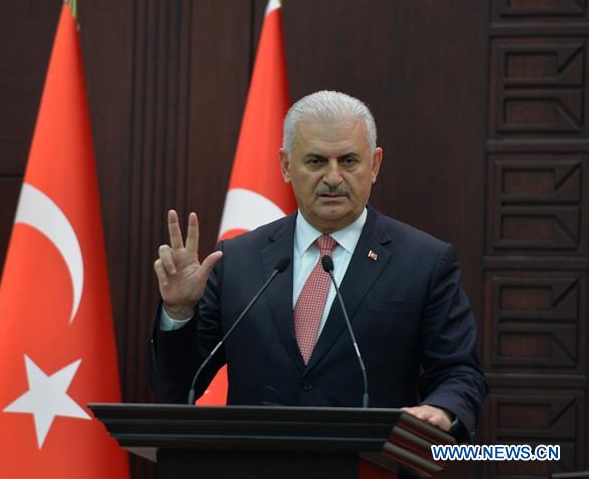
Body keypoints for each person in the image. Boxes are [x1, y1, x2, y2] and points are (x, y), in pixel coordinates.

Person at [148, 90, 487, 442]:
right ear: (285, 165)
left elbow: (459, 372)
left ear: (375, 164)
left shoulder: (424, 262)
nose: (334, 177)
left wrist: (443, 410)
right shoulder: (237, 260)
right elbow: (176, 386)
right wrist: (178, 312)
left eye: (349, 161)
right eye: (316, 161)